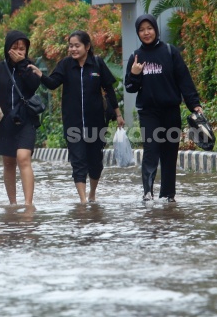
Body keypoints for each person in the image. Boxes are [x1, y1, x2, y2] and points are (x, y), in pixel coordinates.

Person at [28, 30, 125, 204]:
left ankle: (92, 194)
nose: (73, 49)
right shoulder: (65, 65)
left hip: (96, 123)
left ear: (87, 46)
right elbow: (53, 83)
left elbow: (109, 90)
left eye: (77, 45)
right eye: (71, 46)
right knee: (78, 161)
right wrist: (40, 74)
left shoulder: (97, 64)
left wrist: (118, 114)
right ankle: (83, 201)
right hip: (73, 124)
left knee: (95, 162)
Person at [125, 14, 203, 203]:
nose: (146, 33)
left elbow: (184, 80)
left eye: (149, 28)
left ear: (155, 29)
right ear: (138, 33)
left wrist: (195, 105)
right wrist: (135, 74)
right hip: (148, 112)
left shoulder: (170, 52)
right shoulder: (136, 56)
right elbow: (129, 87)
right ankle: (147, 192)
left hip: (170, 111)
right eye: (142, 30)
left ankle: (168, 194)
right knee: (151, 151)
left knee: (170, 153)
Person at [0, 30, 41, 206]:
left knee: (23, 157)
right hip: (4, 122)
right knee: (8, 162)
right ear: (7, 49)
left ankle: (28, 204)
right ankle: (13, 203)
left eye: (22, 48)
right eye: (15, 48)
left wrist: (22, 65)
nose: (18, 51)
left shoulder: (30, 67)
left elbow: (33, 86)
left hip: (26, 120)